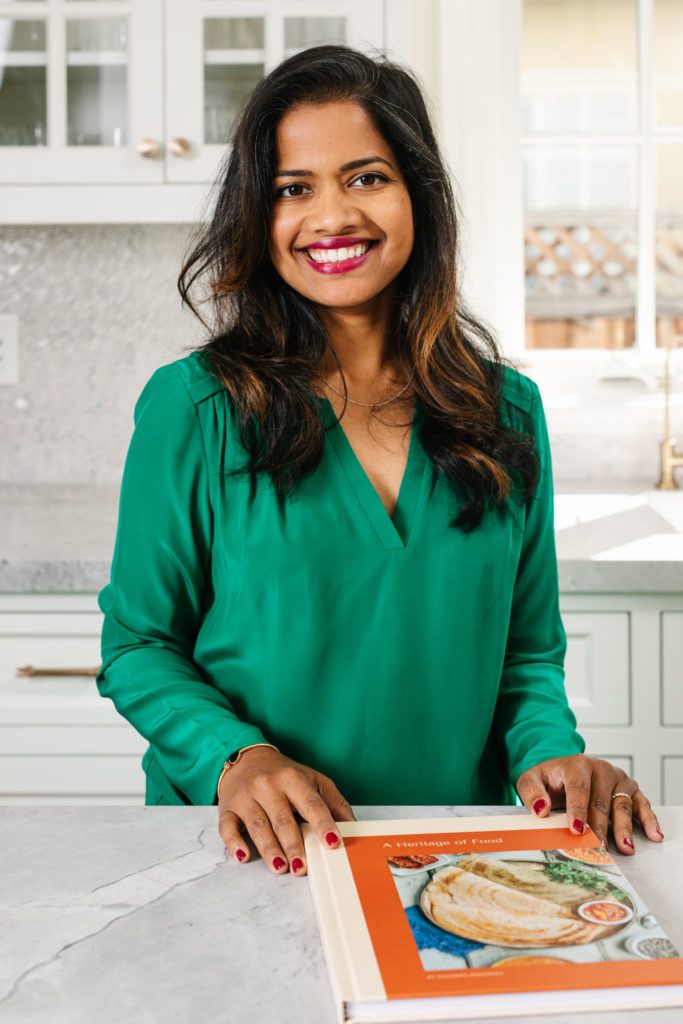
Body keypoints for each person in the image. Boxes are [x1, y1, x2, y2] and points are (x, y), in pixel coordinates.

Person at [97, 45, 662, 876]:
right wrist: (237, 758)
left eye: (365, 177)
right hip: (251, 851)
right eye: (293, 189)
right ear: (257, 214)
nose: (331, 216)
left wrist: (550, 757)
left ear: (417, 194)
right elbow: (139, 644)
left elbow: (524, 653)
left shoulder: (506, 410)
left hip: (449, 853)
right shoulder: (196, 407)